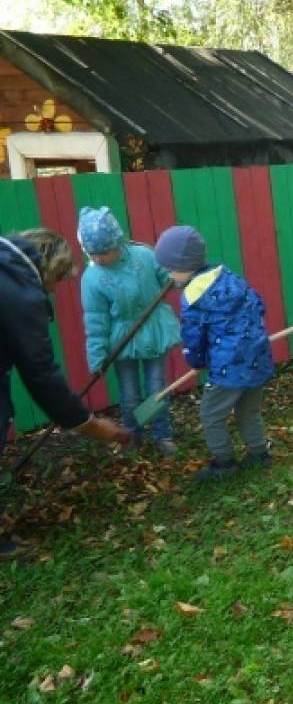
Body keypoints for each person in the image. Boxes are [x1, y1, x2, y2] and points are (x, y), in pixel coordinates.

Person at [1, 228, 132, 555]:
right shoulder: (21, 295)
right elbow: (42, 376)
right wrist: (93, 426)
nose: (54, 289)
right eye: (57, 282)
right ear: (49, 271)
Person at [153, 225, 274, 482]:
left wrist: (196, 360)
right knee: (248, 411)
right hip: (258, 357)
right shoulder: (228, 276)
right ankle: (259, 453)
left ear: (183, 266)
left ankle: (224, 463)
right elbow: (259, 304)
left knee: (211, 415)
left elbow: (193, 336)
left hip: (229, 366)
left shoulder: (194, 295)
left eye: (170, 268)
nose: (168, 274)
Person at [78, 207, 182, 456]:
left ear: (118, 241)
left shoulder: (143, 255)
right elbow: (96, 322)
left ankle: (162, 433)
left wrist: (177, 277)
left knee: (157, 388)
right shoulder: (92, 278)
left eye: (104, 252)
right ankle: (131, 436)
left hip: (153, 329)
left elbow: (164, 275)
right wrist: (98, 356)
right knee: (130, 392)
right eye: (93, 254)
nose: (99, 258)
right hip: (122, 341)